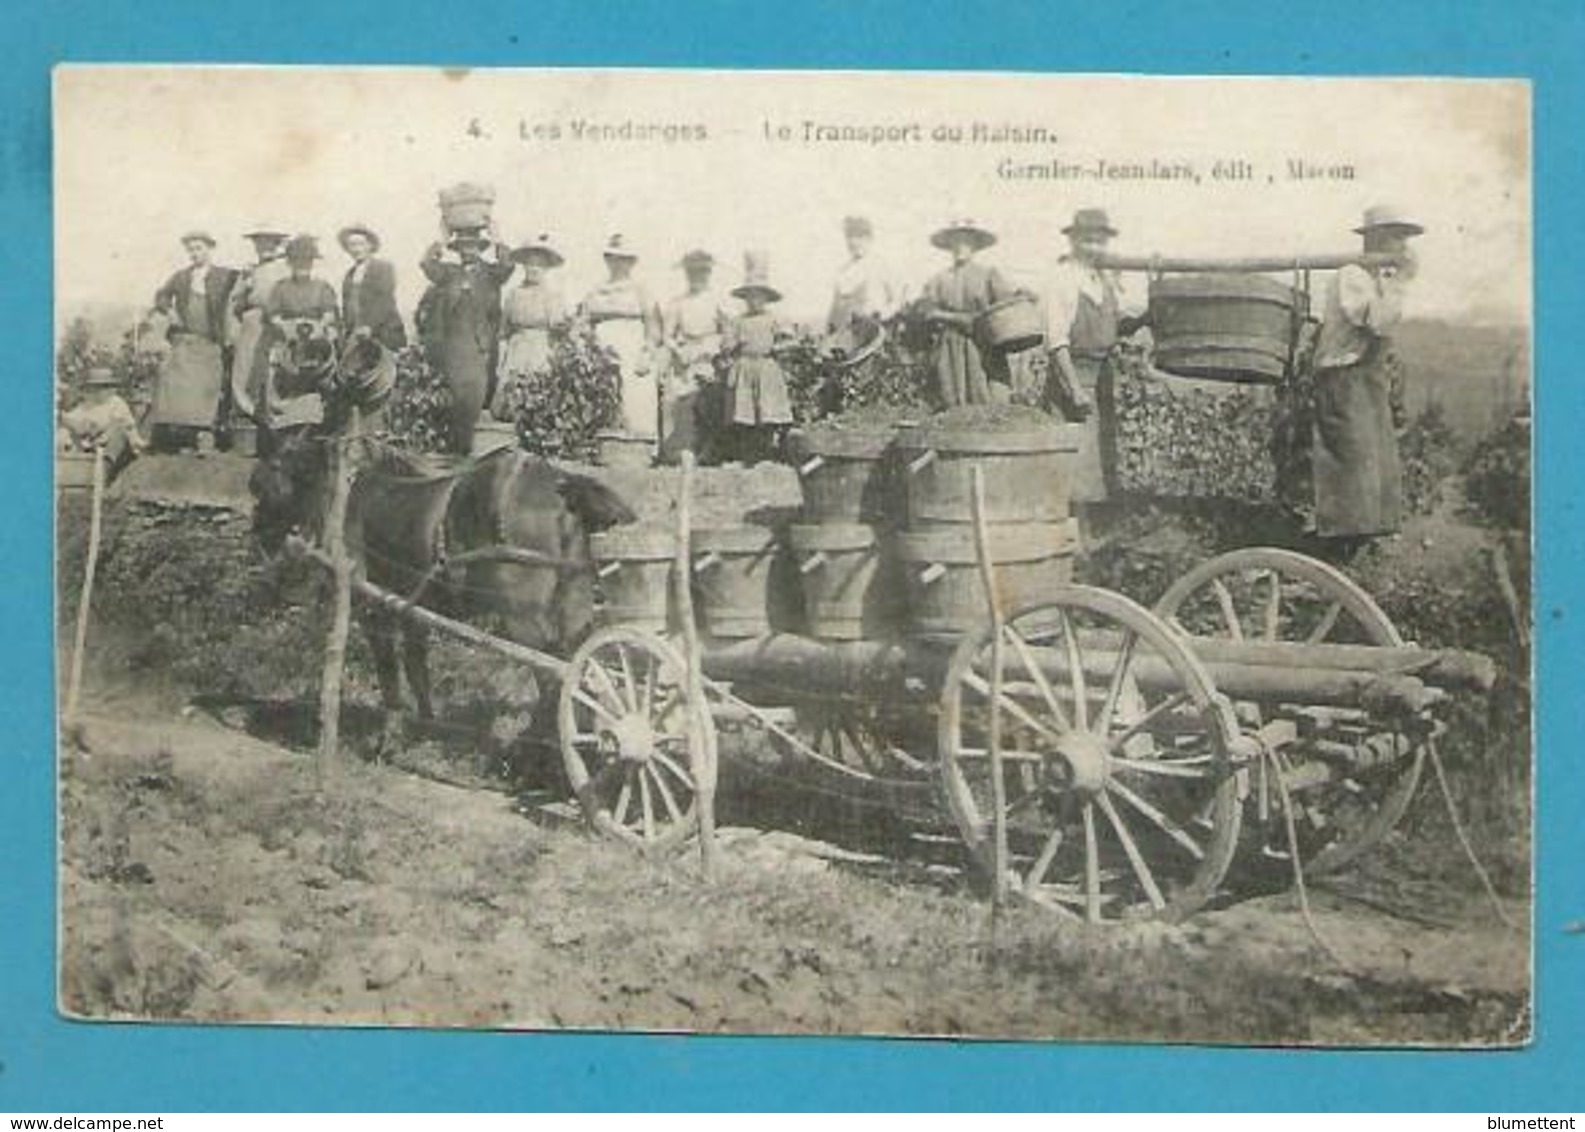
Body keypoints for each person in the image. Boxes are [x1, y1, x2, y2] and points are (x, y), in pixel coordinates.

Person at [1309, 205, 1424, 555]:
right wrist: (1400, 283)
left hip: (1366, 377)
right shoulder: (1353, 276)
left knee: (1376, 458)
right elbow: (1376, 322)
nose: (1402, 246)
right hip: (1343, 375)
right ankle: (1336, 547)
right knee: (1351, 459)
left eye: (1404, 239)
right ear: (1374, 239)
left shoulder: (1380, 279)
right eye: (1395, 237)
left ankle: (1363, 542)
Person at [1043, 208, 1147, 504]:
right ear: (1073, 241)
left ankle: (1091, 531)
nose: (1094, 248)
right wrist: (1074, 389)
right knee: (1073, 457)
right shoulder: (1062, 280)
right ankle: (1070, 533)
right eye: (1088, 241)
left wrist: (1147, 317)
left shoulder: (1103, 281)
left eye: (1100, 242)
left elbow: (1115, 325)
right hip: (1074, 376)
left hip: (1103, 376)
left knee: (1099, 455)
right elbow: (1056, 342)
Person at [418, 229, 517, 454]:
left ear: (481, 249)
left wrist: (497, 236)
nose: (467, 250)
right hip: (453, 349)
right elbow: (426, 264)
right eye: (462, 246)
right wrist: (441, 240)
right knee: (453, 404)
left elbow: (508, 265)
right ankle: (456, 455)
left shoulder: (491, 275)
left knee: (474, 402)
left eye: (472, 246)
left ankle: (469, 453)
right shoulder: (448, 273)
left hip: (479, 348)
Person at [150, 230, 237, 453]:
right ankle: (179, 438)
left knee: (208, 388)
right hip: (185, 340)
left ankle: (205, 435)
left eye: (199, 248)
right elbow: (161, 295)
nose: (194, 253)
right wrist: (169, 311)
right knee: (175, 383)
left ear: (209, 248)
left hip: (211, 342)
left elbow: (242, 287)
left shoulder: (225, 275)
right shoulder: (181, 277)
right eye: (191, 249)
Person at [920, 219, 1020, 408]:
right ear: (949, 245)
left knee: (985, 399)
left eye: (965, 241)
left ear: (975, 245)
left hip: (982, 344)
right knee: (951, 399)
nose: (960, 247)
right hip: (950, 346)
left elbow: (1006, 307)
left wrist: (1020, 296)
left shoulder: (989, 274)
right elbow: (927, 312)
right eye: (955, 241)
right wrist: (946, 317)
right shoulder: (939, 279)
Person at [580, 234, 661, 444]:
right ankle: (602, 442)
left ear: (631, 262)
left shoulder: (641, 290)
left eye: (624, 259)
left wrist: (648, 351)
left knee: (634, 394)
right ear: (607, 260)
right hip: (602, 348)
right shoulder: (596, 291)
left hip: (631, 347)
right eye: (614, 258)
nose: (619, 264)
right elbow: (584, 320)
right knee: (604, 392)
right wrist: (587, 343)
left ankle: (639, 445)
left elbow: (652, 325)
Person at [261, 235, 340, 446]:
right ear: (290, 263)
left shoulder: (322, 287)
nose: (302, 266)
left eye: (306, 261)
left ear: (312, 263)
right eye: (297, 261)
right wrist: (286, 327)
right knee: (281, 380)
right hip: (288, 342)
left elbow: (329, 313)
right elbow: (272, 314)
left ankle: (314, 429)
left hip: (315, 342)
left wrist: (320, 327)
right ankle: (284, 431)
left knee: (320, 380)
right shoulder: (281, 287)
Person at [724, 250, 793, 463]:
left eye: (759, 296)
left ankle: (767, 453)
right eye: (751, 296)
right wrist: (734, 344)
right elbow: (726, 345)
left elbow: (787, 340)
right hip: (744, 367)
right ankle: (747, 454)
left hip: (766, 367)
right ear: (745, 299)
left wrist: (780, 347)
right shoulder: (738, 321)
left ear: (766, 298)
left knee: (767, 411)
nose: (755, 301)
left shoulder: (773, 319)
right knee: (744, 413)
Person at [659, 249, 728, 462]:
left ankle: (708, 451)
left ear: (708, 274)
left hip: (709, 356)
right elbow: (667, 335)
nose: (697, 278)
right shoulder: (678, 303)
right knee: (679, 402)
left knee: (707, 401)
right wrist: (678, 351)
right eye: (692, 273)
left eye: (702, 273)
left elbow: (727, 332)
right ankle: (678, 451)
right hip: (684, 356)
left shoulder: (718, 301)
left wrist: (713, 348)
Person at [492, 234, 568, 421]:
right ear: (523, 266)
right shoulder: (514, 295)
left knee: (539, 398)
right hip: (517, 349)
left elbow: (559, 331)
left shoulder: (553, 296)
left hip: (541, 348)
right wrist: (501, 359)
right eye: (529, 264)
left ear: (546, 268)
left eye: (539, 265)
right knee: (510, 402)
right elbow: (503, 332)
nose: (533, 269)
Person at [229, 224, 293, 432]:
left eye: (268, 242)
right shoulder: (250, 270)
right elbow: (235, 302)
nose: (263, 247)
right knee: (245, 370)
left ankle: (275, 419)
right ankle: (247, 415)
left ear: (277, 244)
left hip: (276, 323)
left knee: (272, 369)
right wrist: (244, 285)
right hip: (252, 323)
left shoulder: (286, 268)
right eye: (259, 242)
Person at [59, 366, 145, 482]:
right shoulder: (86, 405)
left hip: (120, 449)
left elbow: (121, 426)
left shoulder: (116, 403)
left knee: (117, 430)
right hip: (93, 445)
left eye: (104, 387)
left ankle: (103, 474)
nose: (99, 392)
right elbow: (72, 420)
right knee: (63, 433)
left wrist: (95, 430)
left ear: (111, 389)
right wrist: (66, 419)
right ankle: (66, 470)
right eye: (95, 388)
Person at [827, 215, 902, 343]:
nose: (854, 242)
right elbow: (835, 308)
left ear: (869, 239)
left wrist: (881, 315)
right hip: (845, 337)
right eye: (850, 237)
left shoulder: (882, 265)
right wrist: (829, 334)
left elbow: (896, 301)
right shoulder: (843, 271)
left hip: (875, 334)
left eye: (859, 237)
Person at [338, 222, 407, 352]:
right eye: (352, 245)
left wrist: (370, 326)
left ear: (370, 246)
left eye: (360, 244)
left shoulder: (383, 268)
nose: (356, 249)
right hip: (357, 337)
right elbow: (347, 308)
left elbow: (384, 301)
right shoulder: (349, 275)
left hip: (383, 333)